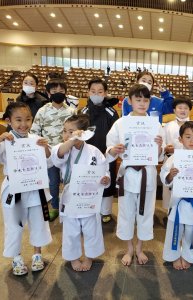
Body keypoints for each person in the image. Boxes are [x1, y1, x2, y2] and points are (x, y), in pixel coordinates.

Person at [0, 102, 52, 276]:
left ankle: (37, 254)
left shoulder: (35, 140)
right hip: (14, 190)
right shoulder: (5, 140)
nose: (23, 124)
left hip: (35, 189)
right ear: (9, 120)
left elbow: (49, 161)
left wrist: (46, 148)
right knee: (14, 226)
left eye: (27, 119)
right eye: (18, 120)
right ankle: (16, 258)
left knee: (38, 223)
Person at [106, 84, 164, 266]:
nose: (142, 103)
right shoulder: (121, 123)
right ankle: (129, 249)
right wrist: (114, 149)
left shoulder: (155, 123)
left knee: (146, 212)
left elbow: (160, 155)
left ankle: (140, 248)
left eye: (145, 100)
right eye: (138, 99)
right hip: (128, 173)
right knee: (126, 212)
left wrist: (160, 146)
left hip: (147, 171)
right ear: (129, 101)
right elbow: (109, 149)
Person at [51, 114, 110, 272]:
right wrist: (71, 140)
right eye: (64, 131)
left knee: (92, 229)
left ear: (83, 133)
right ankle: (74, 258)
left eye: (71, 131)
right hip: (71, 196)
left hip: (90, 195)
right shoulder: (62, 148)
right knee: (71, 230)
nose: (66, 135)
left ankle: (90, 257)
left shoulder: (94, 151)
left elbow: (104, 169)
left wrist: (106, 179)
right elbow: (57, 157)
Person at [160, 121, 193, 270]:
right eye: (188, 137)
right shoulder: (174, 158)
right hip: (178, 201)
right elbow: (164, 175)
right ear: (180, 139)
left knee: (192, 231)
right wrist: (170, 175)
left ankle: (188, 256)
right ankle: (173, 256)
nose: (192, 141)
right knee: (175, 229)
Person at [30, 78, 76, 221]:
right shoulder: (42, 111)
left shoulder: (72, 111)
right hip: (49, 154)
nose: (58, 93)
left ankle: (71, 205)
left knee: (69, 180)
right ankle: (55, 207)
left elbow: (77, 131)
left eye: (61, 91)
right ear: (48, 93)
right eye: (54, 91)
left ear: (66, 93)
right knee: (53, 182)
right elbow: (34, 131)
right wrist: (40, 145)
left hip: (68, 153)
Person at [81, 78, 119, 223]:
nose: (96, 94)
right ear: (88, 92)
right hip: (87, 153)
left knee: (107, 180)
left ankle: (106, 211)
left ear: (105, 93)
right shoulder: (83, 111)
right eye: (93, 91)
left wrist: (110, 151)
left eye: (100, 91)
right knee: (89, 180)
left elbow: (116, 133)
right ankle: (88, 206)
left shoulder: (111, 112)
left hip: (106, 153)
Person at [162, 97, 193, 210]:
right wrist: (166, 148)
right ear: (174, 110)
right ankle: (170, 211)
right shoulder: (168, 126)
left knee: (190, 185)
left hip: (192, 161)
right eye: (180, 107)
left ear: (190, 110)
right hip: (171, 160)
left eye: (186, 108)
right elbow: (163, 143)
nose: (183, 110)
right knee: (170, 191)